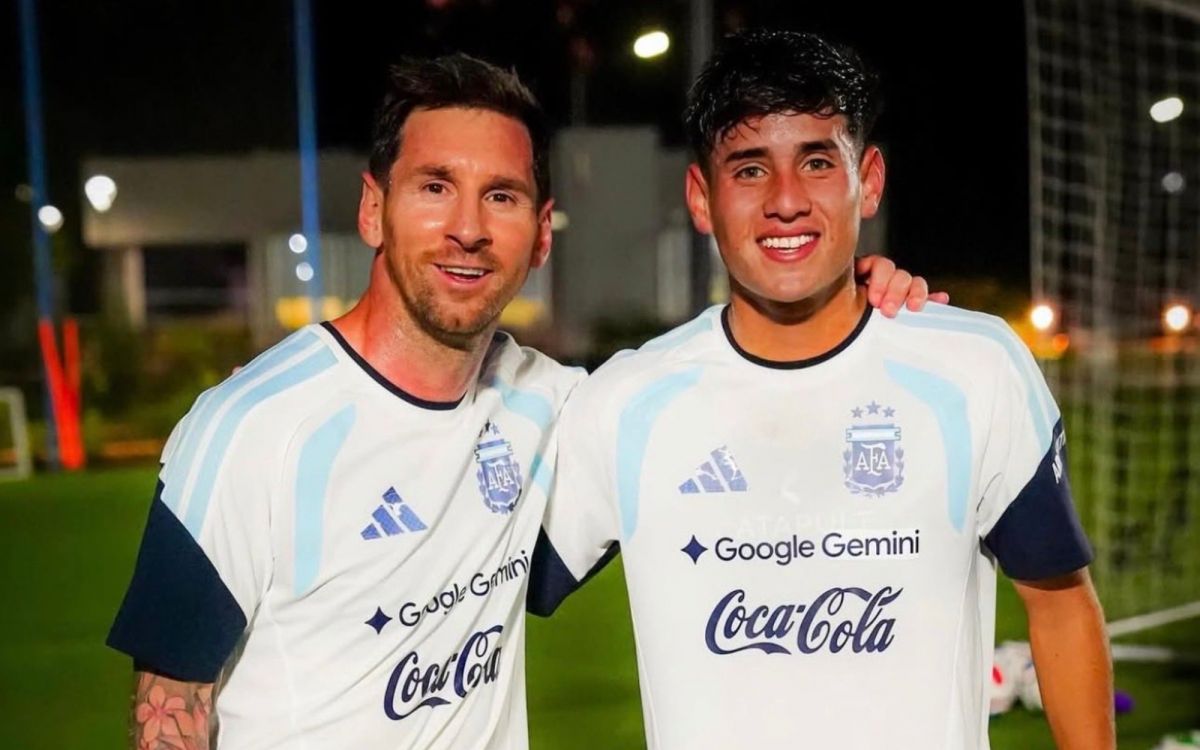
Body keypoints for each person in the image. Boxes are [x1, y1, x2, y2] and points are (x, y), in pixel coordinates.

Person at [106, 52, 932, 750]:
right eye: (435, 187)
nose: (467, 227)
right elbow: (169, 711)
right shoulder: (250, 430)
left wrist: (847, 295)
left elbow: (727, 381)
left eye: (500, 196)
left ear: (540, 235)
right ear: (373, 209)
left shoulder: (556, 409)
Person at [531, 29, 1114, 750]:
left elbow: (1059, 604)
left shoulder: (975, 369)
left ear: (868, 180)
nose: (786, 201)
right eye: (749, 169)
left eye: (816, 162)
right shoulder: (626, 403)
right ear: (701, 198)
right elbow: (473, 585)